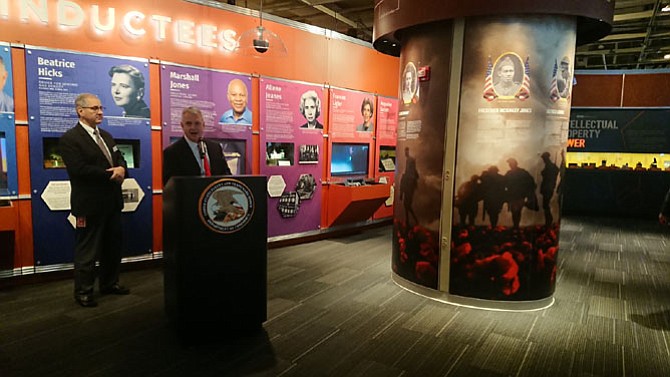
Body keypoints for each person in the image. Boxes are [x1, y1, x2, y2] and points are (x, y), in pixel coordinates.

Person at [59, 93, 129, 308]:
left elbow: (120, 158)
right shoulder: (70, 139)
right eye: (94, 108)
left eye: (101, 108)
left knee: (112, 248)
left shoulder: (107, 136)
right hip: (89, 205)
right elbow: (79, 169)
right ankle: (84, 291)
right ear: (80, 111)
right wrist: (112, 174)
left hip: (112, 203)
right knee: (87, 251)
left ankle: (109, 284)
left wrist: (122, 168)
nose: (100, 112)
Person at [163, 106, 232, 185]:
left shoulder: (215, 148)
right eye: (188, 124)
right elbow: (170, 186)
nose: (193, 127)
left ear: (203, 125)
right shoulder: (172, 153)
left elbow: (226, 175)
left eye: (197, 123)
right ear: (182, 126)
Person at [504, 158, 536, 229]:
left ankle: (516, 225)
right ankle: (516, 225)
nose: (510, 165)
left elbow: (530, 182)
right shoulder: (516, 173)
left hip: (518, 195)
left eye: (510, 164)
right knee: (515, 211)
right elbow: (504, 182)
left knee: (516, 210)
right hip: (515, 195)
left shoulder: (518, 173)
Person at [399, 147, 419, 226]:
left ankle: (413, 220)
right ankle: (410, 220)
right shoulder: (411, 174)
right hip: (409, 187)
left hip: (409, 187)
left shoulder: (410, 161)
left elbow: (403, 184)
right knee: (406, 205)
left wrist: (401, 193)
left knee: (407, 205)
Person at [540, 152, 560, 227]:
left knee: (545, 205)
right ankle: (548, 220)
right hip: (548, 187)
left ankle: (549, 220)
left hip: (548, 188)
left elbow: (550, 175)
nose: (543, 160)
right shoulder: (550, 166)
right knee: (545, 205)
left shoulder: (549, 166)